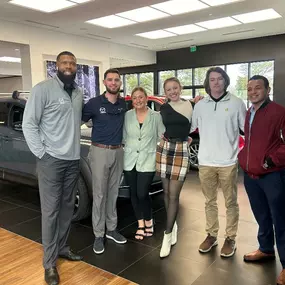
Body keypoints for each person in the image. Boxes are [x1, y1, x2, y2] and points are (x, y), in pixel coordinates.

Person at [23, 51, 83, 285]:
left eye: (72, 63)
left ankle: (62, 248)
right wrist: (42, 153)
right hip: (51, 161)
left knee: (67, 209)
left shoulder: (78, 92)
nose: (68, 66)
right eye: (64, 63)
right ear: (56, 66)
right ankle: (49, 264)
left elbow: (73, 122)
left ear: (76, 67)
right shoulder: (43, 89)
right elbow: (29, 124)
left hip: (72, 160)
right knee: (50, 212)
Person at [191, 67, 246, 258]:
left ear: (225, 81)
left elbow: (246, 130)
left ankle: (230, 238)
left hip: (228, 162)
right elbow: (190, 129)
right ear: (208, 82)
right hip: (205, 162)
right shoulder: (200, 105)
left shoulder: (237, 103)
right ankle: (211, 235)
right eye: (212, 79)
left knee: (231, 202)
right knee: (209, 202)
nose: (216, 82)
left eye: (219, 79)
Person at [238, 75, 285, 285]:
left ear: (267, 89)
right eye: (249, 88)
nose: (253, 91)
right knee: (262, 216)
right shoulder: (250, 112)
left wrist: (269, 161)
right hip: (251, 176)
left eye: (258, 88)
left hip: (272, 175)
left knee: (281, 220)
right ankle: (266, 249)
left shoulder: (278, 112)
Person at [82, 68, 127, 255]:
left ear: (120, 83)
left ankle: (111, 229)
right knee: (99, 194)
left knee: (113, 192)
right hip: (100, 151)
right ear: (104, 82)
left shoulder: (124, 104)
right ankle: (98, 234)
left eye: (117, 80)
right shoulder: (93, 103)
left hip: (118, 152)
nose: (114, 82)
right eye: (110, 80)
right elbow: (82, 121)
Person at [156, 77, 194, 258]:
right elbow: (159, 126)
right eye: (169, 89)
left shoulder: (190, 105)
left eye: (175, 88)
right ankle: (173, 224)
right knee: (166, 192)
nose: (173, 91)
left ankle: (167, 234)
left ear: (180, 88)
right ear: (165, 92)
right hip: (165, 149)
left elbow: (193, 126)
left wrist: (188, 138)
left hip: (181, 150)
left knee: (174, 194)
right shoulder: (163, 107)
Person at [123, 87, 165, 240]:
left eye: (141, 97)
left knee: (142, 193)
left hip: (148, 160)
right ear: (132, 101)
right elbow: (123, 136)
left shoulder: (155, 116)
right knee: (133, 194)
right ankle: (140, 224)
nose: (138, 100)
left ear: (146, 98)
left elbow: (162, 137)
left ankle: (149, 221)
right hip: (129, 161)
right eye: (135, 98)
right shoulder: (127, 116)